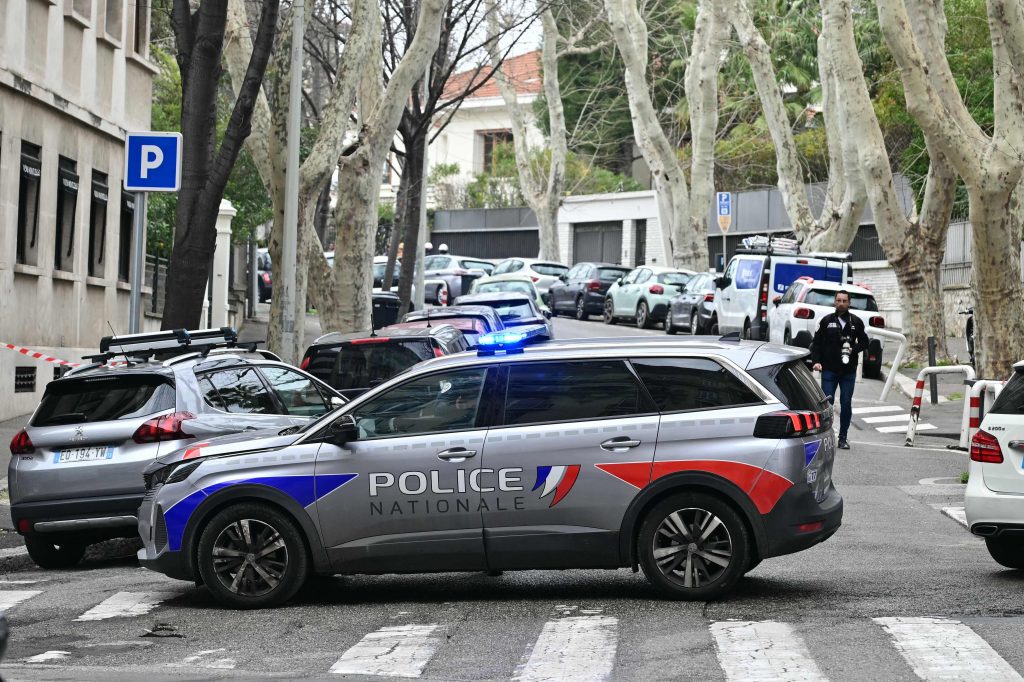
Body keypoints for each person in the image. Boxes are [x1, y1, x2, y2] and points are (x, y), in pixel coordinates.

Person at [810, 290, 870, 450]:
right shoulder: (826, 321)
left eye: (844, 301)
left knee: (846, 402)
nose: (841, 303)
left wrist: (853, 349)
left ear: (849, 303)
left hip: (848, 371)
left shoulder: (856, 321)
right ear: (834, 301)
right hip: (829, 369)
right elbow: (816, 343)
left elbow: (865, 342)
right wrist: (816, 362)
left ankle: (843, 437)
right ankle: (825, 436)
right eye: (839, 300)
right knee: (827, 404)